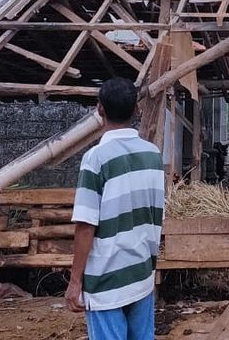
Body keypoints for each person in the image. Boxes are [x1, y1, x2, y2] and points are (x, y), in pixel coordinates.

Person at [66, 78, 165, 340]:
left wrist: (75, 281)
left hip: (106, 279)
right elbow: (155, 214)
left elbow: (86, 224)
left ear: (100, 109)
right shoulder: (153, 155)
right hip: (141, 271)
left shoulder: (96, 159)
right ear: (136, 110)